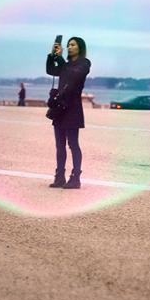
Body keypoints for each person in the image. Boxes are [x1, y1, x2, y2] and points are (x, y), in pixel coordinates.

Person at [45, 37, 91, 189]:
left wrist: (61, 60)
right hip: (60, 109)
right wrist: (52, 56)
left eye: (72, 45)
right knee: (60, 146)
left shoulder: (84, 63)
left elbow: (74, 75)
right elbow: (51, 70)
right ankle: (59, 177)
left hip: (73, 109)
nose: (69, 47)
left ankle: (75, 178)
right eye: (68, 45)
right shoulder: (66, 65)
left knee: (73, 144)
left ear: (80, 48)